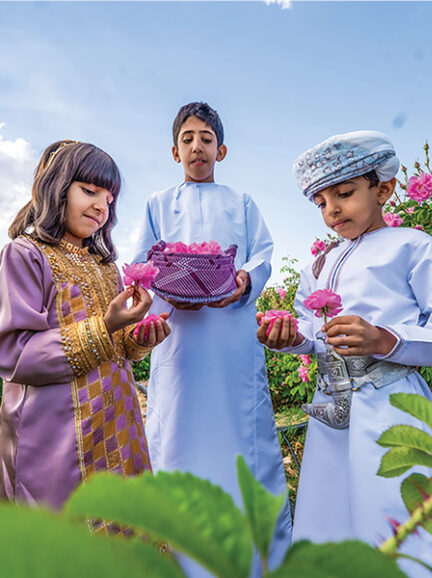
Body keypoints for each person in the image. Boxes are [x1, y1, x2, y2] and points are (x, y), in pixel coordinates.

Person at [257, 131, 432, 577]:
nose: (331, 210)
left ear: (383, 189)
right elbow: (314, 333)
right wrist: (289, 337)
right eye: (321, 202)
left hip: (391, 405)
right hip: (330, 410)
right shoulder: (319, 265)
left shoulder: (412, 246)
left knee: (399, 523)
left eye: (344, 194)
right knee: (328, 521)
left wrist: (384, 339)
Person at [132, 102, 292, 575]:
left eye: (206, 138)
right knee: (177, 439)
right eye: (187, 138)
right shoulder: (157, 203)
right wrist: (166, 296)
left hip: (232, 338)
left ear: (221, 150)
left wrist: (242, 283)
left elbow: (262, 255)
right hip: (179, 342)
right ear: (174, 151)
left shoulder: (242, 202)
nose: (196, 146)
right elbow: (141, 264)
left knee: (244, 439)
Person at [0, 140, 170, 513]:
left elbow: (116, 344)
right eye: (89, 191)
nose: (101, 206)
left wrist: (138, 336)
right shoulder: (25, 255)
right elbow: (15, 354)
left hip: (116, 425)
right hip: (56, 436)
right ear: (56, 187)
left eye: (109, 199)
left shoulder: (105, 267)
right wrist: (106, 325)